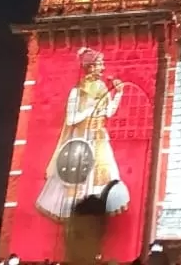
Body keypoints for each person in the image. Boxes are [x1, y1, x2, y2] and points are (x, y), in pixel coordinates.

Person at [36, 48, 130, 221]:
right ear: (91, 66)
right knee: (78, 179)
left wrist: (118, 93)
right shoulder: (77, 91)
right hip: (81, 139)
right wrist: (89, 109)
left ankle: (94, 211)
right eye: (99, 64)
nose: (103, 67)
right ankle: (75, 210)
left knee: (102, 176)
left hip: (99, 138)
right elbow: (71, 119)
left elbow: (108, 112)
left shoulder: (102, 87)